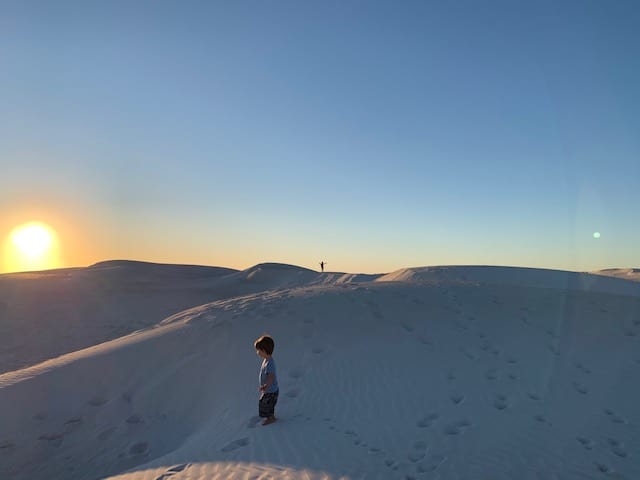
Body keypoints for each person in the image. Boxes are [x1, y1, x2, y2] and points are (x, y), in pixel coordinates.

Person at [254, 335, 279, 426]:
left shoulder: (270, 363)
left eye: (258, 350)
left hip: (271, 391)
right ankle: (270, 417)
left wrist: (266, 386)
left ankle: (271, 418)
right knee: (266, 404)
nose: (257, 352)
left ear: (264, 351)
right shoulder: (266, 360)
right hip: (269, 390)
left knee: (266, 405)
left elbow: (271, 376)